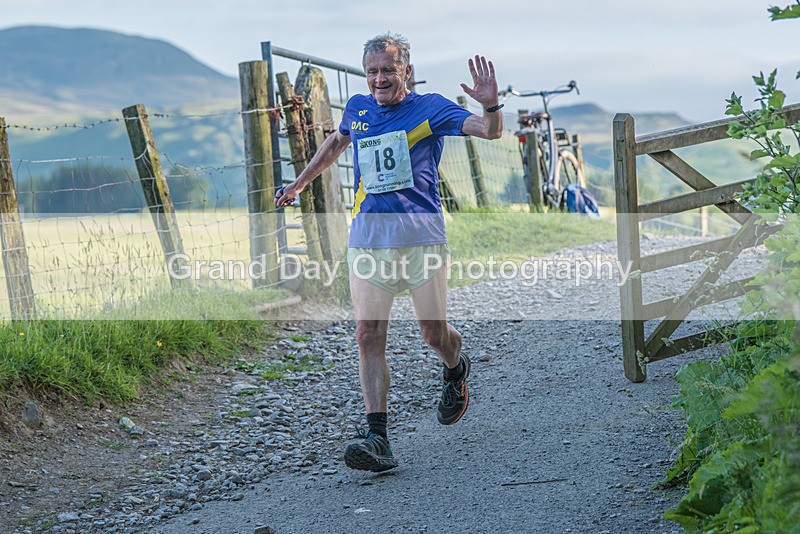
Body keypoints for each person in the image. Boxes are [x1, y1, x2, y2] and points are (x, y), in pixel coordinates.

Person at [274, 32, 503, 472]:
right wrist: (299, 184)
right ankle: (377, 435)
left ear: (407, 72)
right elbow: (336, 143)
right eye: (372, 71)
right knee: (367, 335)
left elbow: (489, 131)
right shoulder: (358, 109)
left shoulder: (430, 107)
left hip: (421, 236)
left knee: (433, 335)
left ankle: (456, 368)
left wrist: (490, 106)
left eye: (388, 70)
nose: (379, 79)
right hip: (369, 237)